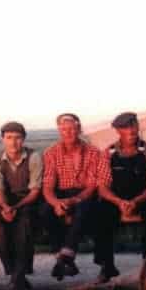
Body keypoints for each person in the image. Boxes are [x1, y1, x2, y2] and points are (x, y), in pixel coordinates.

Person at [95, 112, 146, 283]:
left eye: (133, 126)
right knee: (101, 213)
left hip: (144, 196)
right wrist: (118, 202)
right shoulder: (108, 152)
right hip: (117, 198)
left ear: (138, 126)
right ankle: (106, 265)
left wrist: (136, 201)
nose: (131, 131)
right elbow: (103, 186)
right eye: (126, 128)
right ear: (118, 131)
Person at [40, 113, 101, 280]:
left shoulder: (93, 152)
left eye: (72, 128)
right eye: (64, 129)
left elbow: (91, 186)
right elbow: (48, 185)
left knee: (83, 208)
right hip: (60, 194)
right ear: (59, 130)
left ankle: (64, 257)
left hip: (83, 194)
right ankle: (65, 257)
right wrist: (56, 204)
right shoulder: (51, 152)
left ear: (79, 129)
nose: (68, 133)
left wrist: (74, 200)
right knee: (45, 211)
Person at [0, 121, 43, 290]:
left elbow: (35, 191)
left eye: (18, 138)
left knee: (24, 224)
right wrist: (5, 207)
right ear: (3, 140)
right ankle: (14, 272)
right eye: (9, 138)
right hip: (5, 201)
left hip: (28, 201)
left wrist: (16, 208)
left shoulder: (34, 157)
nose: (13, 142)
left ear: (24, 139)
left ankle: (19, 274)